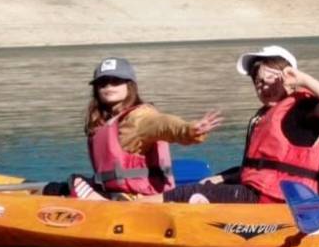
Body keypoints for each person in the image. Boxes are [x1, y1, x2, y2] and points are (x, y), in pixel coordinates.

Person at [160, 45, 319, 204]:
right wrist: (221, 178)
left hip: (282, 199)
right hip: (262, 193)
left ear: (289, 78)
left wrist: (303, 79)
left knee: (185, 194)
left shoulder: (303, 109)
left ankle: (141, 208)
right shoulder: (267, 114)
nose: (263, 87)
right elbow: (260, 169)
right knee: (203, 184)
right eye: (258, 82)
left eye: (270, 80)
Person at [56, 57, 222, 200]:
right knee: (64, 185)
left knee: (76, 182)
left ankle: (102, 204)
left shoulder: (139, 117)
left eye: (116, 81)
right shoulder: (104, 122)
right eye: (102, 83)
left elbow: (162, 124)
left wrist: (188, 129)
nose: (109, 86)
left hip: (142, 198)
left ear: (129, 86)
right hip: (114, 192)